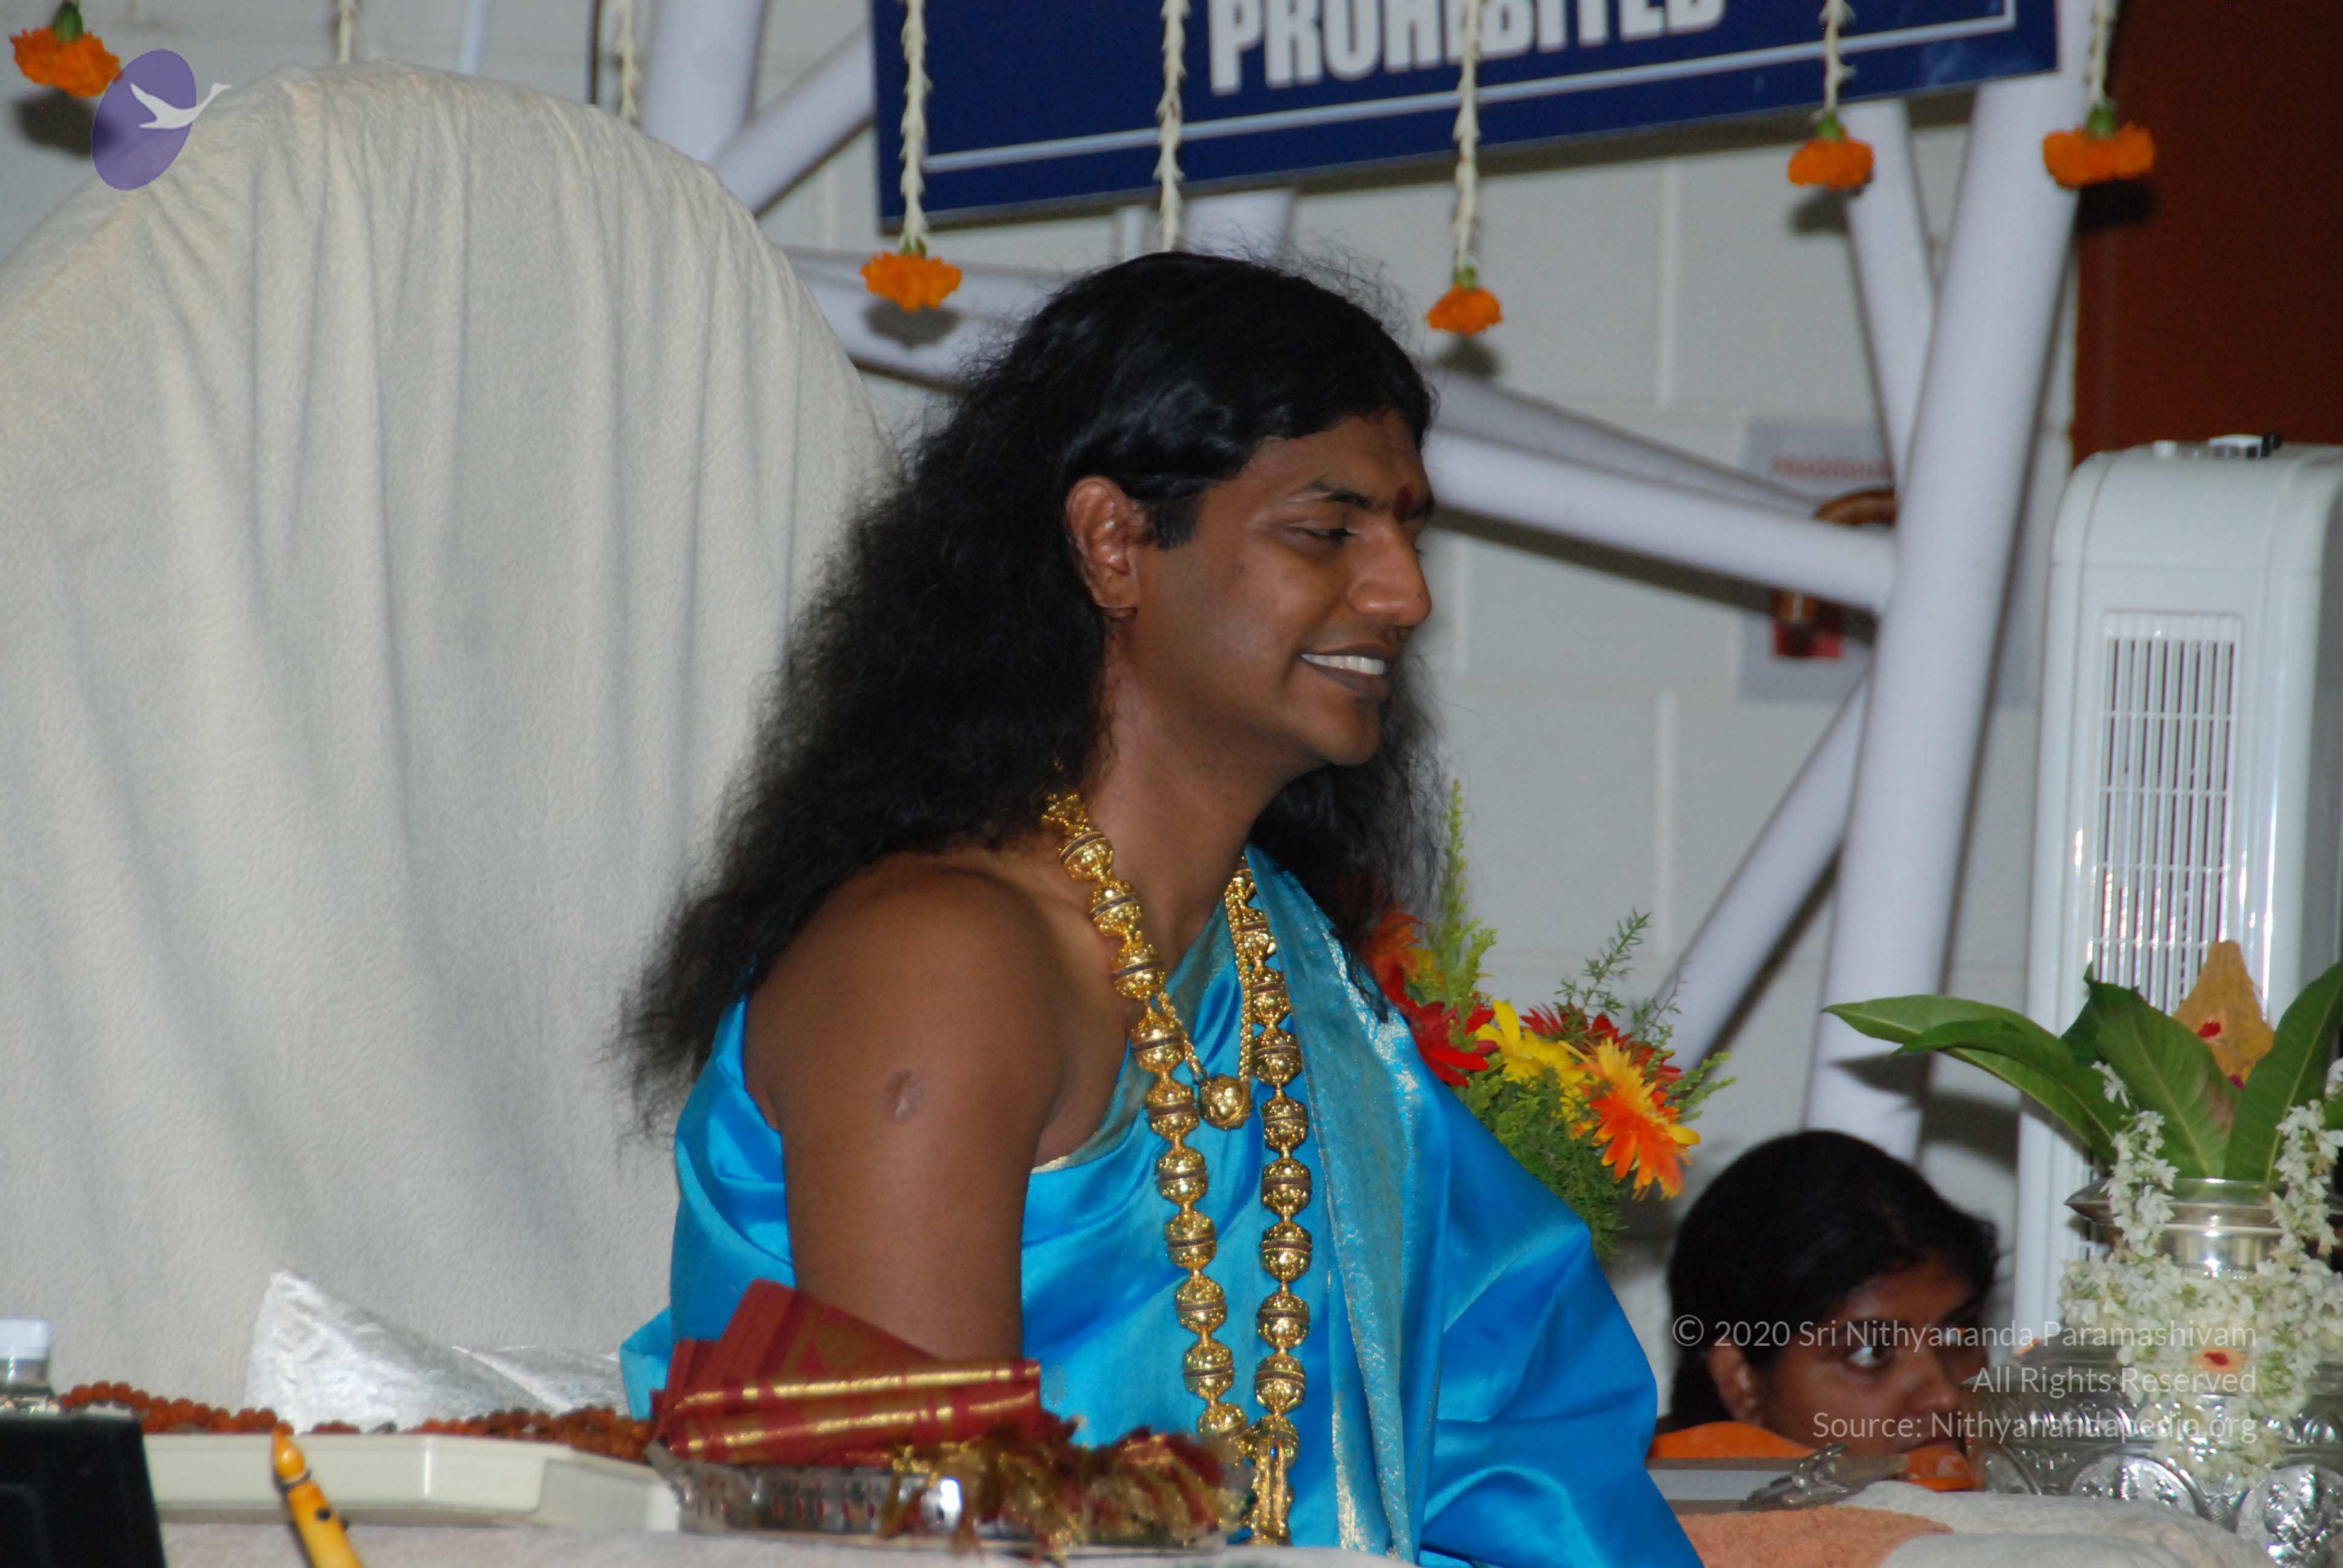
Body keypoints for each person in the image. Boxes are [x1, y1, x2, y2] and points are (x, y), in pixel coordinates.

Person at [618, 252, 1697, 1566]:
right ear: (1114, 544)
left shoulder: (1281, 964)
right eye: (1327, 530)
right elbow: (917, 1538)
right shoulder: (937, 963)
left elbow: (1522, 1419)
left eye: (1407, 530)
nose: (1403, 594)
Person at [1657, 1129, 1996, 1468]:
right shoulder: (1643, 1496)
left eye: (1959, 1335)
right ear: (1741, 1384)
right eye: (1871, 1353)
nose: (1945, 1396)